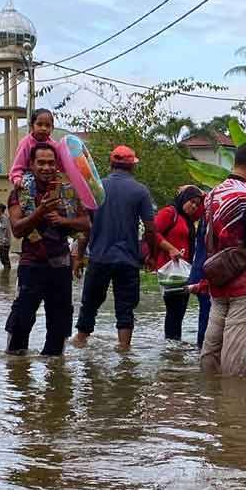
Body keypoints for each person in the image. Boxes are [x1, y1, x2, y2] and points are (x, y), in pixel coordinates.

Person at [4, 143, 90, 356]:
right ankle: (18, 378)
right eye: (41, 163)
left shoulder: (68, 191)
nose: (46, 167)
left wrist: (61, 220)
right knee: (22, 320)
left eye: (51, 163)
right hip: (32, 264)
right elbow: (17, 229)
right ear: (31, 165)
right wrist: (41, 211)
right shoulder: (20, 193)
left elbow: (86, 224)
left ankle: (56, 380)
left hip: (60, 265)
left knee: (59, 323)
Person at [72, 146, 156, 352]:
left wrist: (79, 257)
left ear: (111, 164)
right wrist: (150, 254)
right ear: (132, 166)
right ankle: (124, 349)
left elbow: (86, 227)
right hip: (128, 259)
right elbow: (151, 230)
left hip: (99, 257)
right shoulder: (140, 191)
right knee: (125, 308)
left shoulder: (97, 189)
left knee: (89, 304)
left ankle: (80, 340)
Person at [199, 142, 246, 376]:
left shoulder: (211, 195)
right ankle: (233, 407)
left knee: (213, 342)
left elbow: (204, 237)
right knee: (236, 352)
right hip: (243, 284)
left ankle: (209, 393)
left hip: (217, 279)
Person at [8, 108, 96, 211]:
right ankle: (29, 210)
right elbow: (18, 166)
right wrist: (17, 179)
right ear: (32, 126)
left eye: (47, 125)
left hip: (48, 182)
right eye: (39, 124)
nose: (44, 128)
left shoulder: (54, 146)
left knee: (63, 187)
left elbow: (63, 165)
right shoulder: (26, 143)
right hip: (30, 178)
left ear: (52, 128)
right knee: (28, 184)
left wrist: (80, 160)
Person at [153, 185, 204, 341]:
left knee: (179, 311)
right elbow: (152, 232)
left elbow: (207, 205)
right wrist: (170, 249)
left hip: (184, 270)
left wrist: (199, 192)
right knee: (175, 310)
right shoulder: (170, 212)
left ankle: (173, 349)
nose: (194, 206)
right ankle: (172, 348)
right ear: (183, 198)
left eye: (196, 203)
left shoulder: (188, 218)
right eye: (191, 201)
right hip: (170, 269)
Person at [188, 206, 211, 349]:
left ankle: (202, 348)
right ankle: (203, 348)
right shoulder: (210, 219)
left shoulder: (205, 216)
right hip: (206, 274)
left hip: (201, 272)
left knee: (206, 314)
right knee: (207, 314)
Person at [0, 203, 11, 269]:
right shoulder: (0, 218)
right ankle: (6, 272)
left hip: (4, 243)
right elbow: (1, 230)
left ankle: (7, 273)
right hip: (1, 242)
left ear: (0, 209)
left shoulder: (4, 218)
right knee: (3, 258)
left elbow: (6, 229)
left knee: (5, 259)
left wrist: (3, 241)